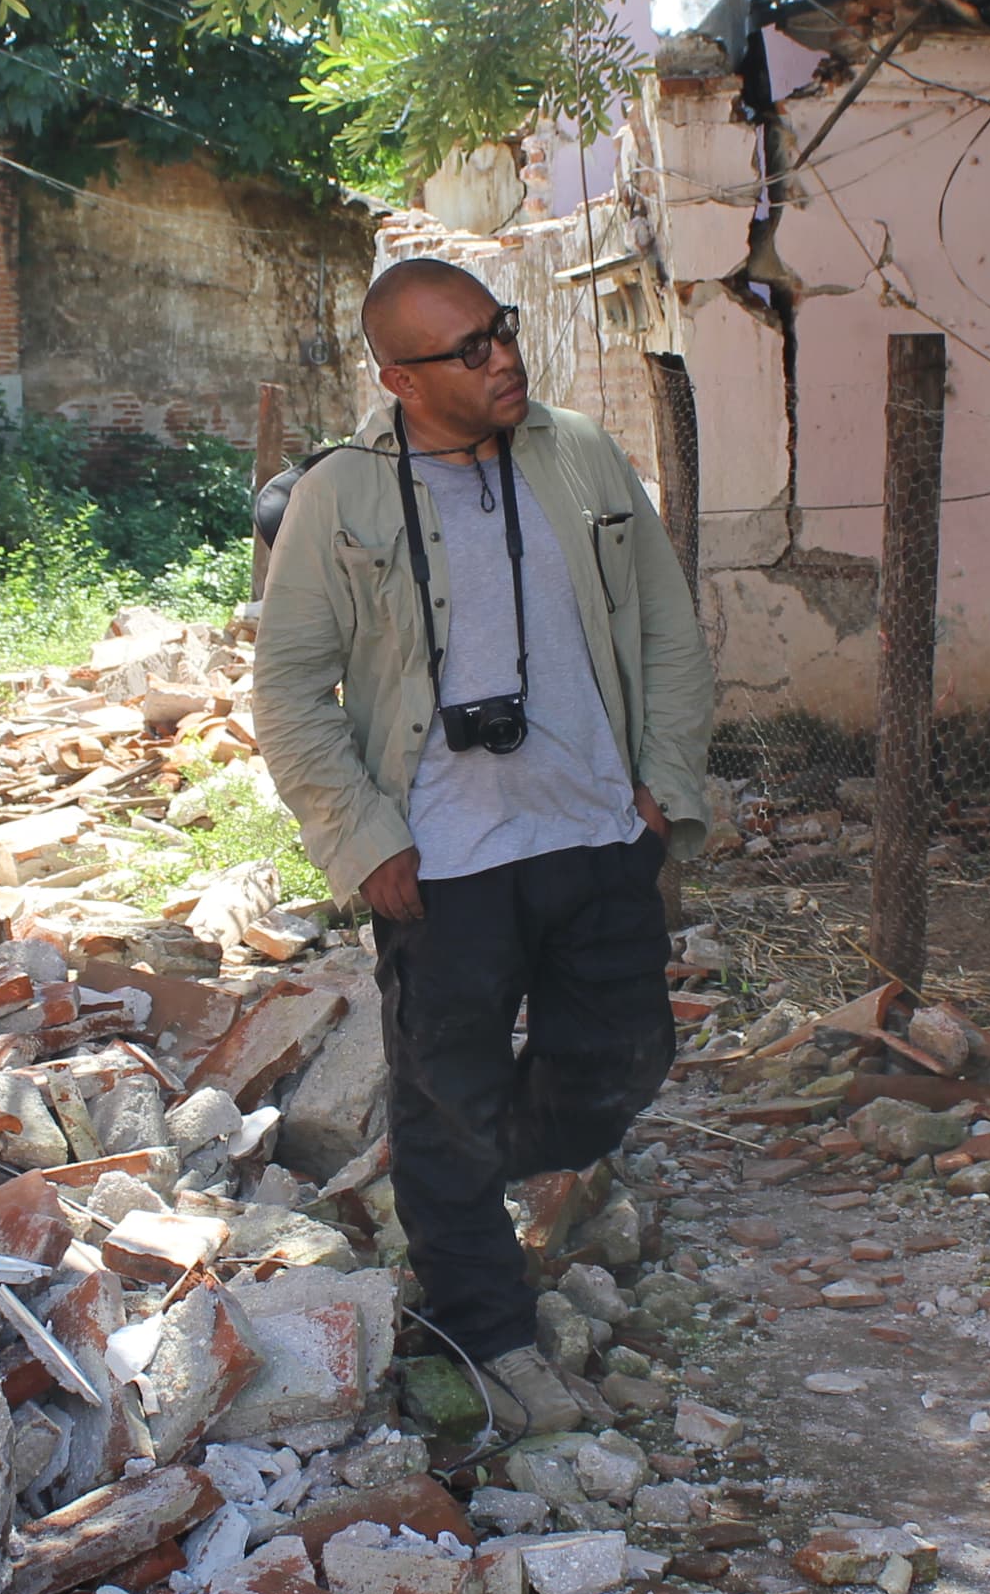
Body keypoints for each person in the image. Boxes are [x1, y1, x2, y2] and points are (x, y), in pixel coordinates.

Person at [254, 258, 717, 1440]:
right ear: (400, 377)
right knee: (447, 1092)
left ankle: (441, 1164)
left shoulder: (583, 455)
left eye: (500, 331)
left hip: (598, 828)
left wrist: (663, 786)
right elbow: (292, 690)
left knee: (616, 1070)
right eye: (467, 349)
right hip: (440, 860)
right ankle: (483, 1323)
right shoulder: (341, 497)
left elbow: (665, 626)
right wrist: (363, 842)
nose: (501, 357)